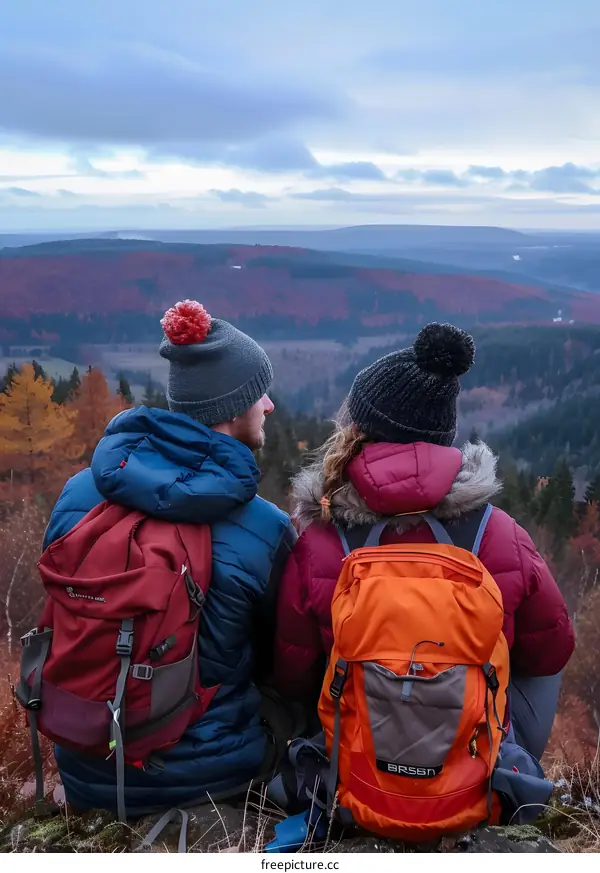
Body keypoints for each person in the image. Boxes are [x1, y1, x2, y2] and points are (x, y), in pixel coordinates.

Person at [273, 322, 575, 763]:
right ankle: (505, 765)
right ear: (443, 434)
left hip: (358, 771)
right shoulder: (498, 532)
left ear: (360, 430)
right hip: (467, 776)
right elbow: (552, 649)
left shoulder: (320, 538)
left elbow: (292, 674)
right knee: (543, 668)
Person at [43, 299, 297, 815]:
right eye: (257, 395)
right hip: (211, 778)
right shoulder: (264, 528)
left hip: (87, 764)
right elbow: (280, 662)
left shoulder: (78, 494)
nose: (268, 405)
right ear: (230, 409)